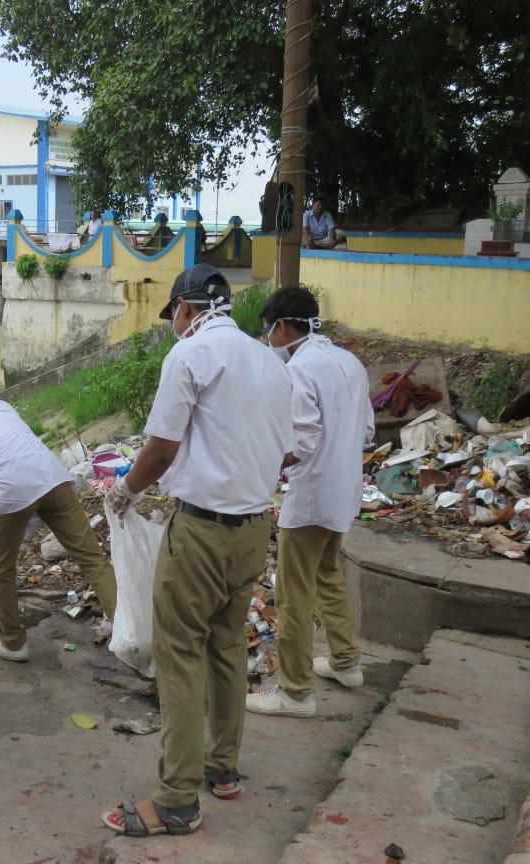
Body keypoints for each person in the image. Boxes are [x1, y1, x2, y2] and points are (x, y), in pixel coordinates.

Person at [100, 265, 294, 837]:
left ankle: (178, 801)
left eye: (174, 316)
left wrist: (125, 490)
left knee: (179, 655)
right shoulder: (271, 361)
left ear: (186, 309)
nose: (175, 325)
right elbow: (285, 451)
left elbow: (160, 448)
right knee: (228, 646)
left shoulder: (188, 356)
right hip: (254, 528)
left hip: (203, 530)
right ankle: (223, 769)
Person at [246, 287, 374, 719]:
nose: (269, 340)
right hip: (343, 491)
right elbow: (369, 431)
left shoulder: (298, 369)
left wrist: (264, 459)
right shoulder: (349, 362)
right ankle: (345, 662)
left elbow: (301, 438)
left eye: (269, 331)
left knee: (293, 593)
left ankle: (295, 690)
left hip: (313, 493)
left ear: (281, 327)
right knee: (328, 574)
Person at [0, 397, 116, 662]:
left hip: (8, 489)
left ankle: (12, 643)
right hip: (51, 476)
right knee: (93, 559)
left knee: (0, 569)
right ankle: (130, 633)